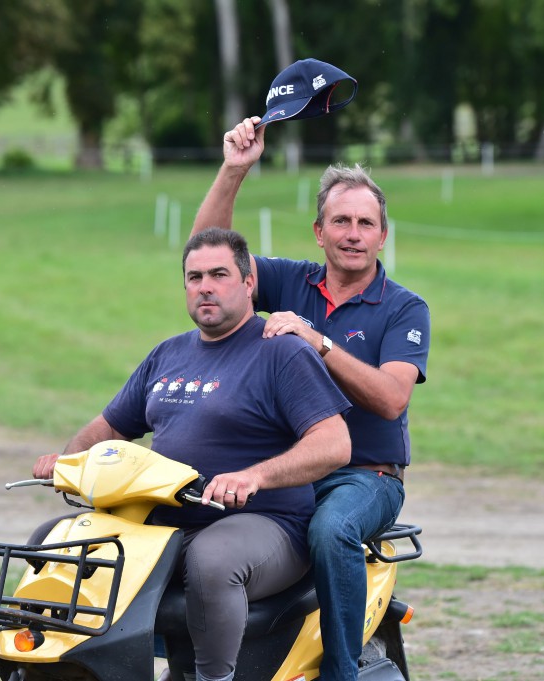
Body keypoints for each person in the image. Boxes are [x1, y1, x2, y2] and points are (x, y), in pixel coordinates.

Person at [32, 228, 351, 681]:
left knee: (213, 562)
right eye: (194, 276)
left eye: (219, 274)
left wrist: (252, 478)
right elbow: (109, 427)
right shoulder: (169, 353)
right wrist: (67, 461)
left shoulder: (281, 351)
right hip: (167, 522)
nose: (205, 285)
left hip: (267, 524)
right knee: (54, 539)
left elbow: (334, 442)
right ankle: (66, 670)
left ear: (247, 284)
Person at [191, 118, 431, 681]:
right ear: (318, 232)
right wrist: (234, 169)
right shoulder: (290, 281)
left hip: (364, 477)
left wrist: (317, 340)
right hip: (290, 470)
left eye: (365, 223)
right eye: (340, 220)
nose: (352, 233)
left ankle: (341, 672)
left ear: (382, 236)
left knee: (331, 530)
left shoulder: (404, 308)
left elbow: (391, 399)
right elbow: (208, 254)